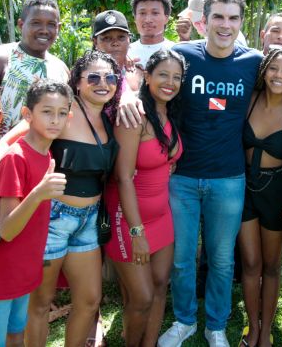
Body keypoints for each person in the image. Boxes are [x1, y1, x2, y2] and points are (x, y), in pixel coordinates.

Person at [0, 51, 121, 346]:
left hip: (88, 220)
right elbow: (5, 146)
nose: (103, 83)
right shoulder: (61, 112)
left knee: (89, 300)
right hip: (53, 219)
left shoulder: (110, 117)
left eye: (110, 77)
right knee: (40, 303)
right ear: (77, 82)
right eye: (93, 77)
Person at [158, 0, 263, 347]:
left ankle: (216, 325)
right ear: (204, 21)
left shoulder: (253, 62)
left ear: (241, 22)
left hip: (228, 178)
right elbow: (149, 85)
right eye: (218, 16)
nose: (225, 25)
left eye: (233, 18)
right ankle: (184, 320)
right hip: (183, 177)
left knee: (221, 260)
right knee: (182, 258)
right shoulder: (182, 56)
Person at [0, 79, 72, 347]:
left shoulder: (45, 154)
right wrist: (39, 193)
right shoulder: (16, 157)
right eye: (47, 111)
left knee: (15, 336)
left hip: (21, 270)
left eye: (61, 113)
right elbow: (8, 230)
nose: (55, 120)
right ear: (27, 114)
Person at [106, 50, 186, 347]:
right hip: (129, 219)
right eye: (163, 74)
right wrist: (136, 232)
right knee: (141, 297)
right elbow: (123, 177)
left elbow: (164, 158)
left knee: (160, 285)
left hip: (162, 215)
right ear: (147, 77)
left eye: (176, 77)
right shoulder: (133, 116)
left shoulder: (171, 113)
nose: (170, 82)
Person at [0, 0, 69, 231]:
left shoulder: (60, 68)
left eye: (51, 24)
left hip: (40, 167)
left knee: (32, 235)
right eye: (36, 22)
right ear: (21, 24)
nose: (44, 30)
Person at [238, 48, 282, 347]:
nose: (279, 75)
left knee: (272, 265)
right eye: (273, 68)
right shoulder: (248, 101)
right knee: (250, 263)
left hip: (276, 192)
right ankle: (253, 327)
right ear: (264, 71)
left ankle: (266, 333)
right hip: (244, 188)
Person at [175, 0, 249, 46]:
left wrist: (184, 40)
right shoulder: (213, 37)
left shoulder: (228, 38)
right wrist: (184, 39)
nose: (196, 24)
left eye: (200, 21)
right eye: (193, 20)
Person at [92, 9, 142, 92]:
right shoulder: (85, 75)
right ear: (95, 42)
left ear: (129, 40)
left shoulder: (139, 74)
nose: (115, 43)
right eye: (107, 38)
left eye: (121, 37)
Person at [128, 0, 176, 68]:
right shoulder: (126, 53)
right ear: (135, 18)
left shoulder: (176, 51)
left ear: (166, 18)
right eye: (142, 13)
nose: (148, 20)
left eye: (155, 13)